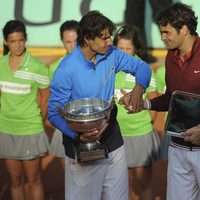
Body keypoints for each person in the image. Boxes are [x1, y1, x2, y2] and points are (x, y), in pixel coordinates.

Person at [48, 10, 152, 200]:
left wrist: (139, 89)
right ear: (88, 39)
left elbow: (142, 67)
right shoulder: (66, 69)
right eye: (104, 38)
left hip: (112, 137)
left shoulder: (111, 54)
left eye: (109, 37)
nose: (109, 42)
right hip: (81, 144)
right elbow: (54, 113)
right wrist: (78, 136)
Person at [141, 3, 200, 200]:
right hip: (177, 147)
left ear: (184, 29)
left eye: (166, 32)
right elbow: (172, 97)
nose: (162, 37)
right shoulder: (170, 57)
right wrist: (146, 104)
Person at [0, 20, 50, 200]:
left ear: (25, 40)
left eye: (20, 40)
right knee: (15, 180)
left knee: (33, 180)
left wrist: (40, 116)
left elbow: (46, 96)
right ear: (6, 42)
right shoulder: (0, 65)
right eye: (12, 41)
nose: (17, 45)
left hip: (30, 129)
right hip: (6, 129)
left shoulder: (37, 66)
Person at [113, 24, 160, 200]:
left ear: (136, 48)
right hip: (115, 136)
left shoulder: (145, 71)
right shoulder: (108, 69)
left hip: (140, 134)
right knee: (123, 184)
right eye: (120, 48)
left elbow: (154, 103)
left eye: (129, 48)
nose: (124, 53)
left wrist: (143, 123)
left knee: (144, 183)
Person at [43, 20, 78, 170]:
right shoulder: (54, 68)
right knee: (69, 179)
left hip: (90, 126)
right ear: (62, 42)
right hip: (64, 127)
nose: (72, 45)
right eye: (68, 42)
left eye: (76, 41)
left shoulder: (96, 63)